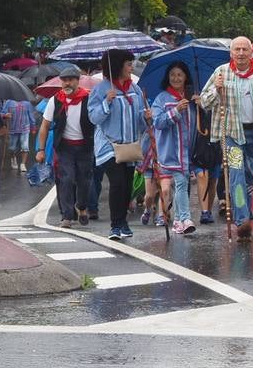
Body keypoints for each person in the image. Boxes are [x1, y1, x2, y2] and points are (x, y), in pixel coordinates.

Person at [201, 36, 253, 239]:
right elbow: (204, 102)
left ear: (251, 52)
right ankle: (242, 219)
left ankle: (244, 210)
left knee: (249, 174)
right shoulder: (221, 72)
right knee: (235, 173)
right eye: (237, 50)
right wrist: (216, 90)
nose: (241, 53)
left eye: (245, 49)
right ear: (231, 53)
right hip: (232, 133)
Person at [88, 48, 150, 241]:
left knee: (127, 186)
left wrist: (147, 118)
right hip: (109, 147)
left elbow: (140, 121)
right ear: (117, 66)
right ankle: (115, 225)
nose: (132, 67)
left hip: (130, 147)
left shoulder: (135, 89)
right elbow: (93, 118)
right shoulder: (101, 89)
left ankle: (123, 222)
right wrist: (106, 102)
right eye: (128, 64)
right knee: (117, 183)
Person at [34, 65, 94, 228]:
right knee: (66, 179)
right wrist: (40, 150)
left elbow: (98, 121)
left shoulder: (88, 98)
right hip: (64, 147)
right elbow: (45, 126)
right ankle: (67, 216)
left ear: (77, 81)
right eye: (64, 81)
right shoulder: (56, 100)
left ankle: (81, 207)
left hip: (85, 146)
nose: (67, 84)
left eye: (70, 80)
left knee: (84, 181)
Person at [151, 60, 198, 236]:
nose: (176, 78)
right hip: (171, 151)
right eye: (172, 75)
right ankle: (185, 219)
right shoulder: (162, 99)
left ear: (186, 76)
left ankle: (178, 220)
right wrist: (176, 110)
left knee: (182, 185)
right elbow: (157, 122)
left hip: (189, 151)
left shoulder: (192, 97)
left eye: (179, 74)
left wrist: (200, 106)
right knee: (181, 182)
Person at [2, 97, 32, 173]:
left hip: (25, 128)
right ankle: (13, 158)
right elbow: (2, 112)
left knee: (25, 147)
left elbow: (31, 114)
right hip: (12, 128)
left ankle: (23, 164)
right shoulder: (9, 102)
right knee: (12, 148)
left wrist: (33, 126)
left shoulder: (27, 102)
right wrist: (5, 115)